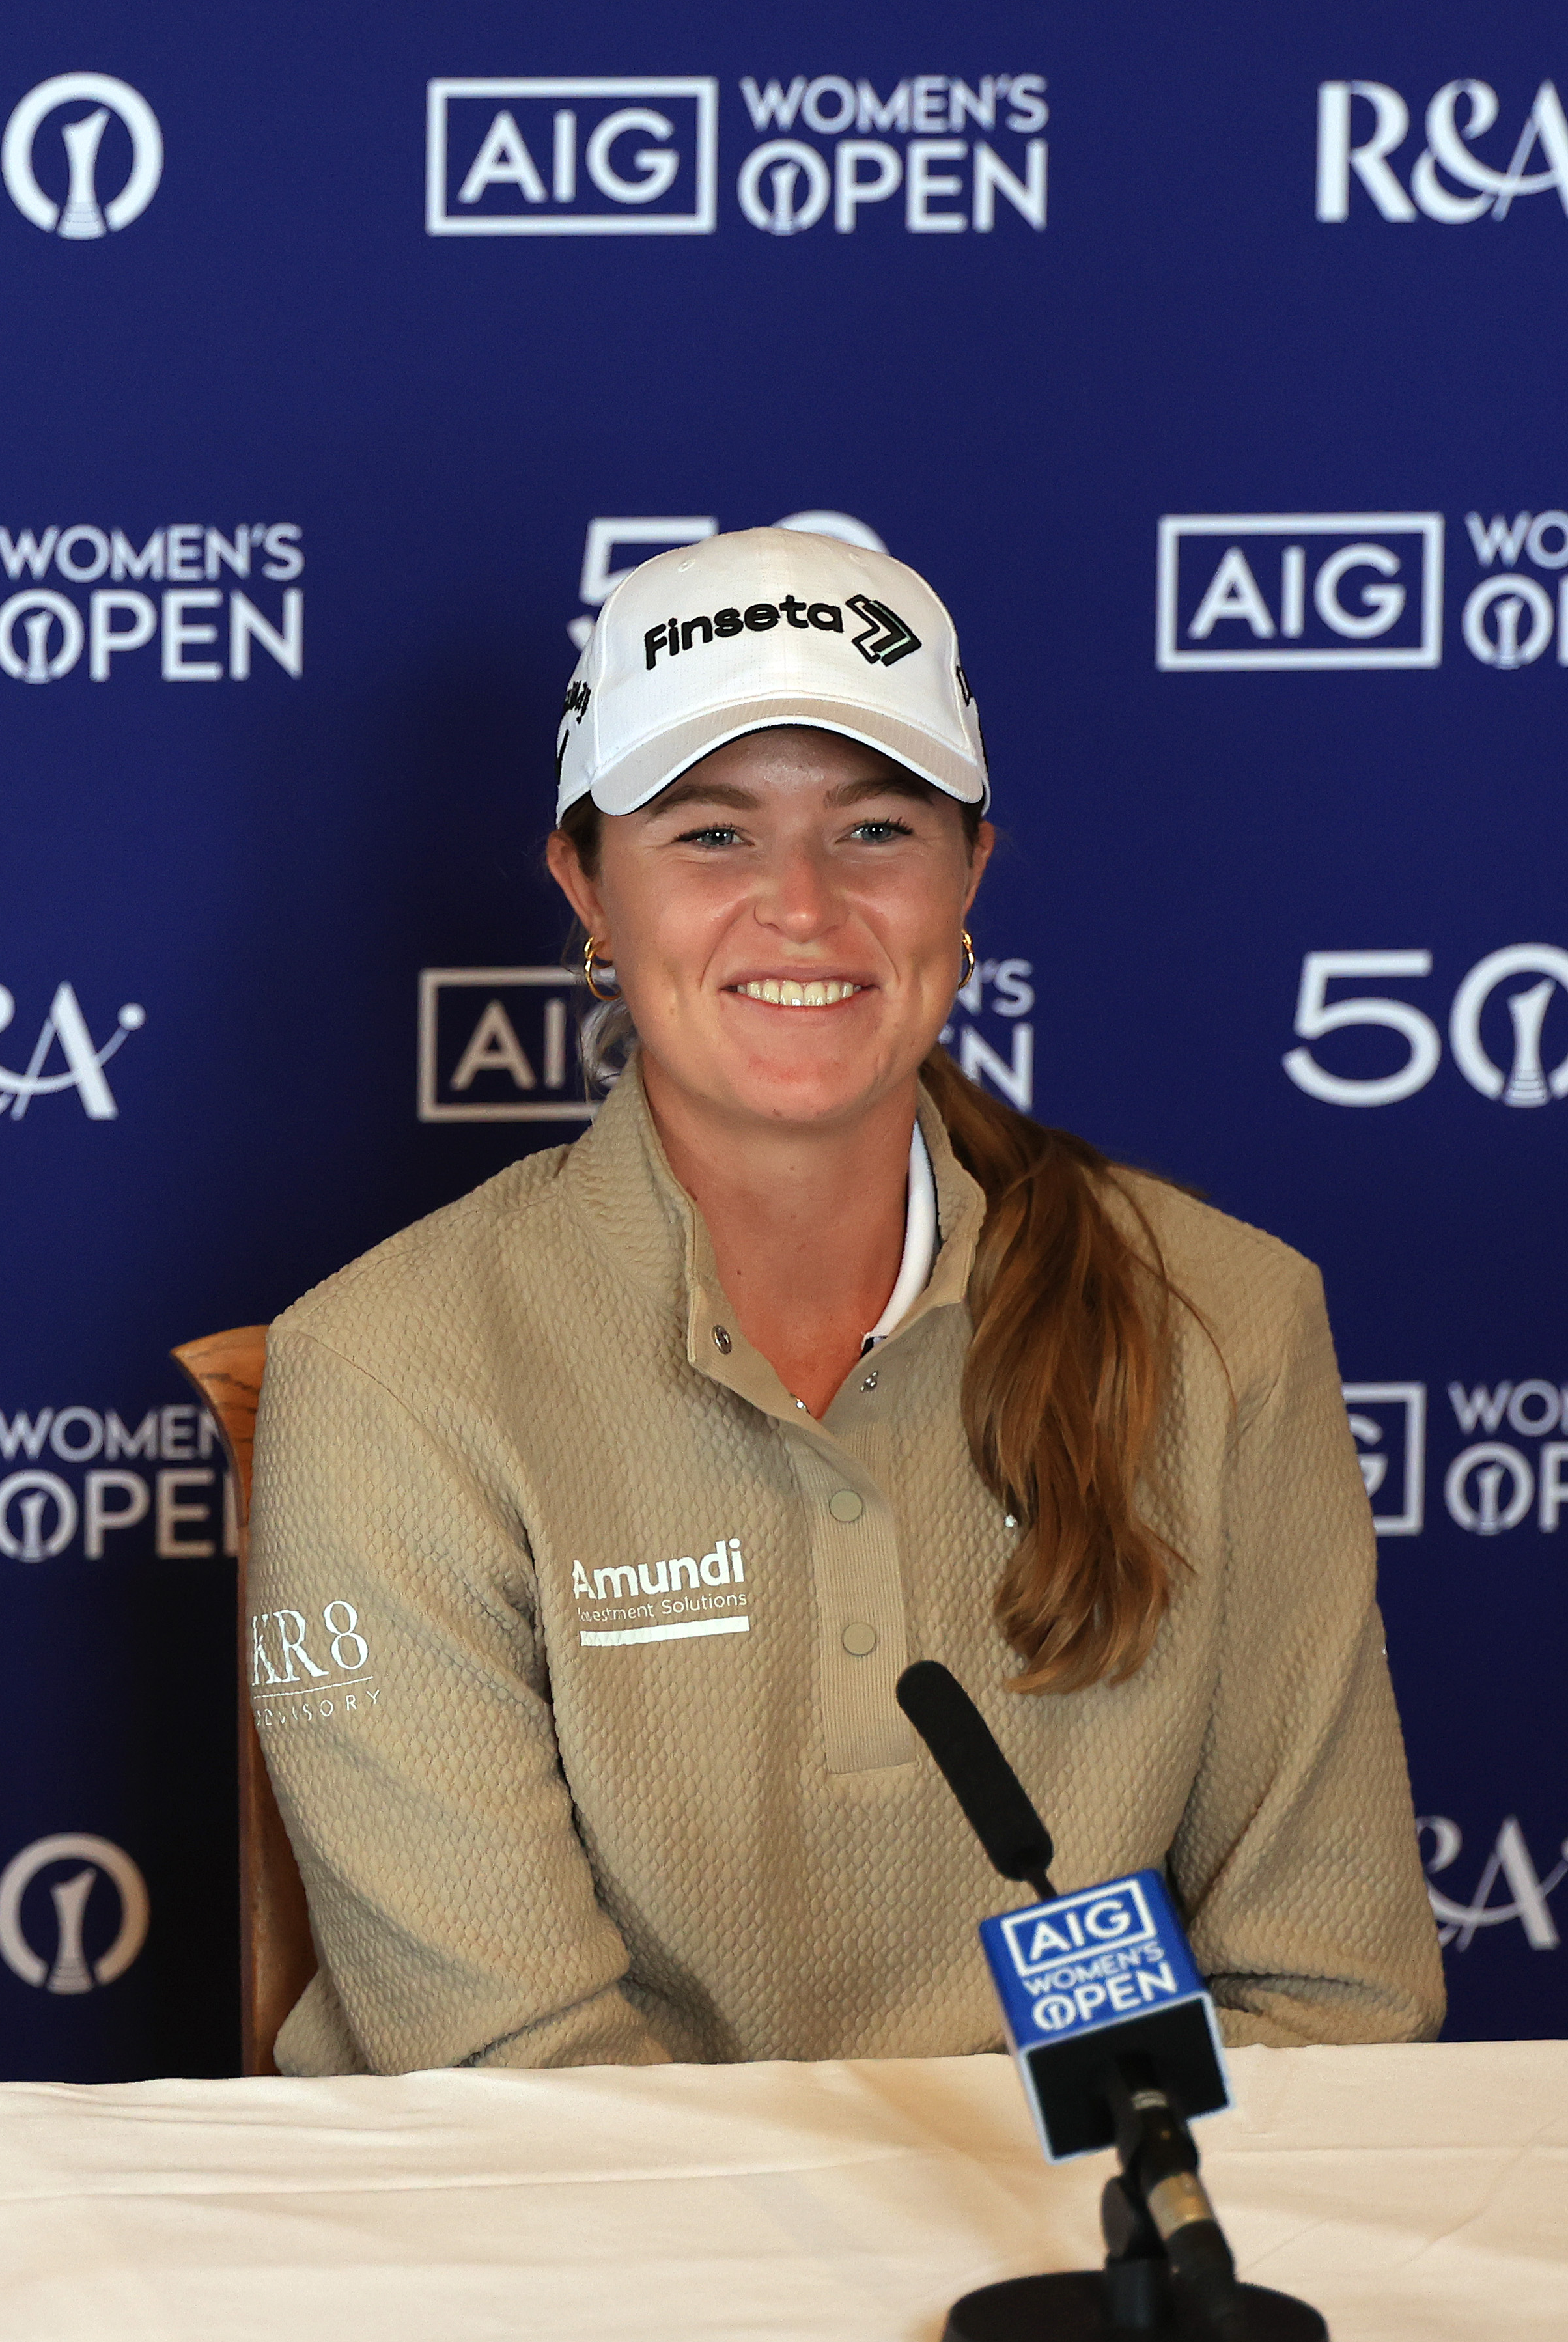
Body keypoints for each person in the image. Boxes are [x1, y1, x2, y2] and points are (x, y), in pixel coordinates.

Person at [246, 526, 1440, 2074]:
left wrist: (1079, 2265)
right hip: (582, 2279)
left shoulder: (1223, 1317)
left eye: (874, 828)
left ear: (970, 878)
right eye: (710, 835)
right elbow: (516, 2081)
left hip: (1090, 2259)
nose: (799, 905)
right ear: (585, 886)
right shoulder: (387, 1365)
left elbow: (1326, 1993)